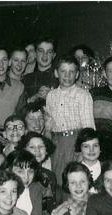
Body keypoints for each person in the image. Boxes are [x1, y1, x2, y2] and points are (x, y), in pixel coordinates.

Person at [45, 55, 95, 185]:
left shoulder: (83, 95)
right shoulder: (51, 95)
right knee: (56, 179)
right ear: (56, 73)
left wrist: (82, 150)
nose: (67, 75)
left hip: (75, 142)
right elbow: (49, 123)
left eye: (71, 72)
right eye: (63, 71)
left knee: (72, 178)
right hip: (56, 143)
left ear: (77, 74)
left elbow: (88, 127)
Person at [17, 131, 58, 213]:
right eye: (32, 147)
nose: (37, 150)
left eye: (41, 147)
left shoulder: (50, 175)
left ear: (46, 151)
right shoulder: (18, 174)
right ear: (24, 150)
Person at [23, 37, 59, 103]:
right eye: (41, 51)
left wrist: (53, 96)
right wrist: (34, 98)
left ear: (54, 55)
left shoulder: (61, 78)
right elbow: (19, 108)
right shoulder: (26, 79)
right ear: (35, 53)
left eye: (49, 52)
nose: (45, 55)